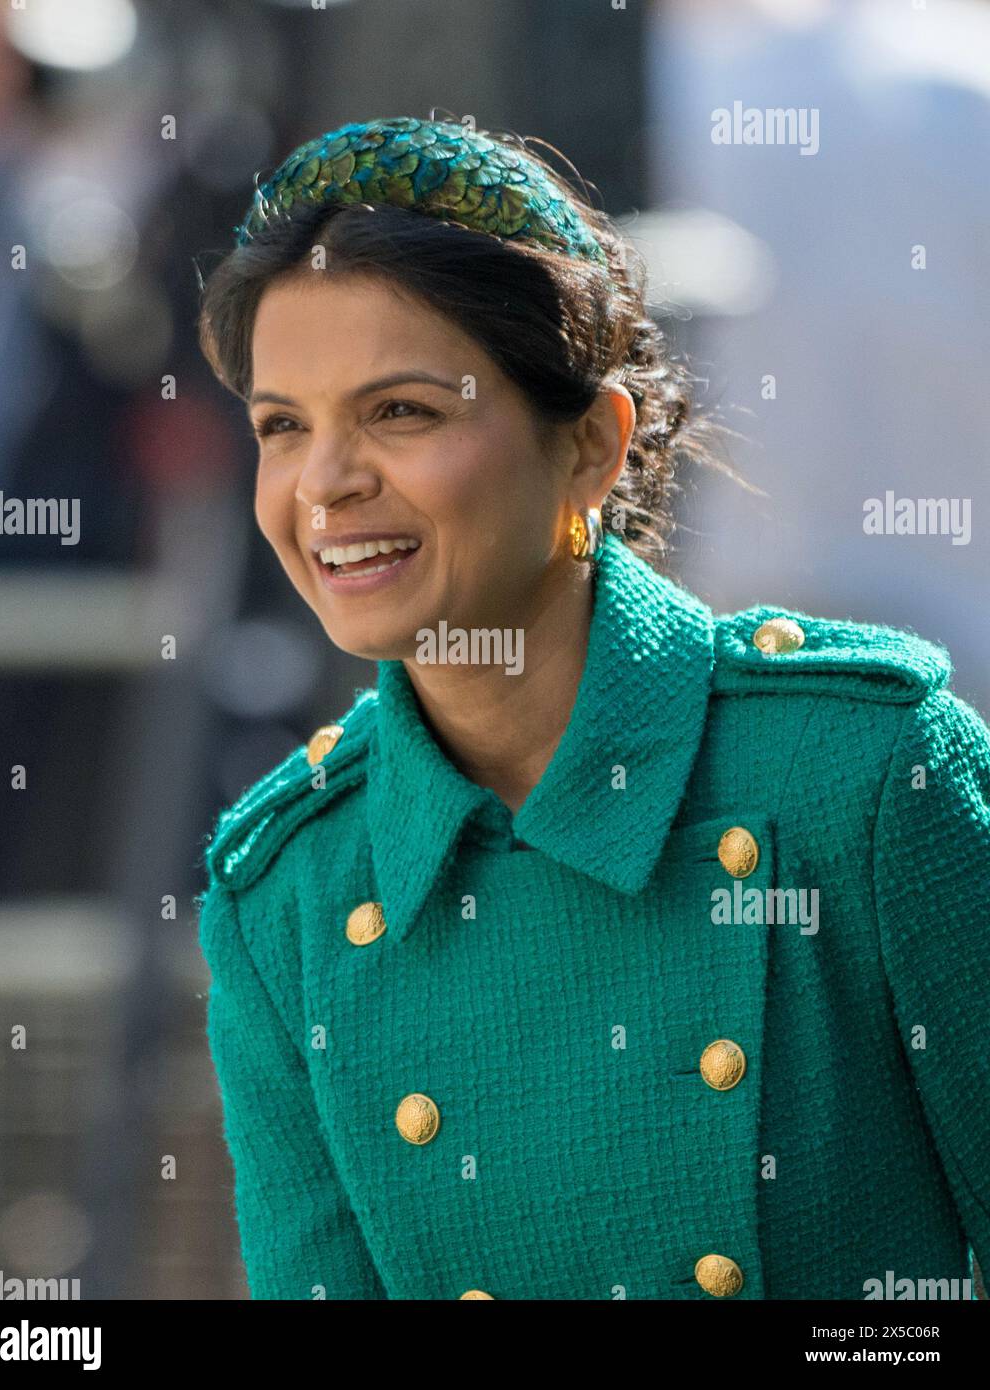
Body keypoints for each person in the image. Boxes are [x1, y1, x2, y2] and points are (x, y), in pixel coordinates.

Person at [193, 116, 990, 1301]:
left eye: (401, 411)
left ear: (589, 445)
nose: (324, 483)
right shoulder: (290, 898)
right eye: (282, 426)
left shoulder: (868, 771)